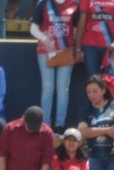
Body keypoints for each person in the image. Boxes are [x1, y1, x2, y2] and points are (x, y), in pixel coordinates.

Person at [30, 0, 80, 133]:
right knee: (47, 88)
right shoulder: (43, 3)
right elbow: (33, 28)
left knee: (63, 89)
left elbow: (75, 30)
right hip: (46, 51)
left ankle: (60, 125)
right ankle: (45, 124)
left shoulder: (75, 4)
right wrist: (45, 39)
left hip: (66, 50)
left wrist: (78, 47)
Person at [74, 0, 114, 77]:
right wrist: (78, 48)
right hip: (90, 46)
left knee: (112, 80)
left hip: (111, 46)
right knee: (93, 79)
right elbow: (81, 22)